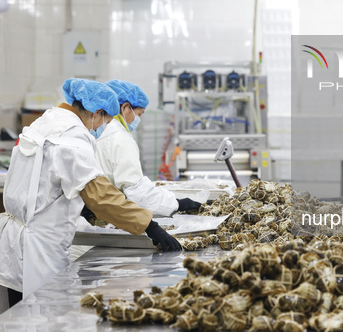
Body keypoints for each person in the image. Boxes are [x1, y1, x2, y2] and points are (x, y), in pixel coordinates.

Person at [0, 79, 181, 309]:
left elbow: (47, 182)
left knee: (19, 313)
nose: (104, 125)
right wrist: (149, 226)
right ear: (97, 112)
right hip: (41, 247)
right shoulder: (71, 137)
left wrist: (81, 206)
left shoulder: (47, 122)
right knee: (42, 315)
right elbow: (101, 195)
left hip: (15, 239)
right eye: (106, 119)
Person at [93, 79, 201, 218]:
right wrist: (176, 204)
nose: (138, 120)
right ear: (125, 108)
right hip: (108, 215)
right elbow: (136, 191)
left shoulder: (97, 130)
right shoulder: (120, 138)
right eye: (139, 114)